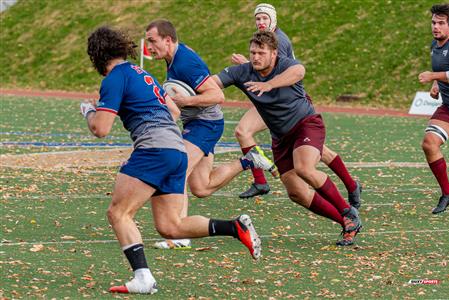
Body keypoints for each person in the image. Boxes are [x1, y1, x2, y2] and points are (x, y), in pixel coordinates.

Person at [81, 26, 262, 294]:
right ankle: (235, 227)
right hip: (176, 148)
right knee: (171, 226)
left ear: (96, 55)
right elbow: (174, 110)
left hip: (154, 150)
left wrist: (89, 111)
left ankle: (143, 278)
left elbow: (101, 129)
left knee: (118, 213)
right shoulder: (143, 74)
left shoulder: (114, 78)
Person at [214, 31, 363, 246]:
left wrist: (271, 84)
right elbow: (213, 82)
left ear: (274, 53)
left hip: (306, 125)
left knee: (304, 168)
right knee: (296, 193)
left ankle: (348, 211)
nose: (256, 57)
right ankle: (346, 221)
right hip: (280, 138)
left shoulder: (285, 65)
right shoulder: (243, 71)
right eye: (253, 52)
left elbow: (299, 71)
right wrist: (188, 94)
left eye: (261, 53)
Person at [144, 19, 275, 249]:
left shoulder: (184, 62)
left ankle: (178, 236)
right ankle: (248, 161)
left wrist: (185, 101)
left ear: (167, 39)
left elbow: (217, 95)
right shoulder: (174, 57)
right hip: (198, 122)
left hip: (205, 123)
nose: (149, 47)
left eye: (152, 41)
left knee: (178, 170)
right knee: (201, 187)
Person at [231, 3, 362, 207]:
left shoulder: (278, 42)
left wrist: (245, 69)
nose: (261, 22)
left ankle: (261, 181)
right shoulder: (265, 40)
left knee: (243, 131)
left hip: (283, 100)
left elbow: (281, 74)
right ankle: (351, 185)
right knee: (320, 151)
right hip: (270, 97)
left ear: (273, 20)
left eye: (265, 18)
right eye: (258, 19)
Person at [418, 3, 449, 214]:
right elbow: (443, 71)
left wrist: (433, 77)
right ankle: (447, 193)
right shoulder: (434, 45)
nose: (435, 27)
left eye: (441, 23)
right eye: (433, 22)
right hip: (448, 107)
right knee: (430, 144)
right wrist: (436, 85)